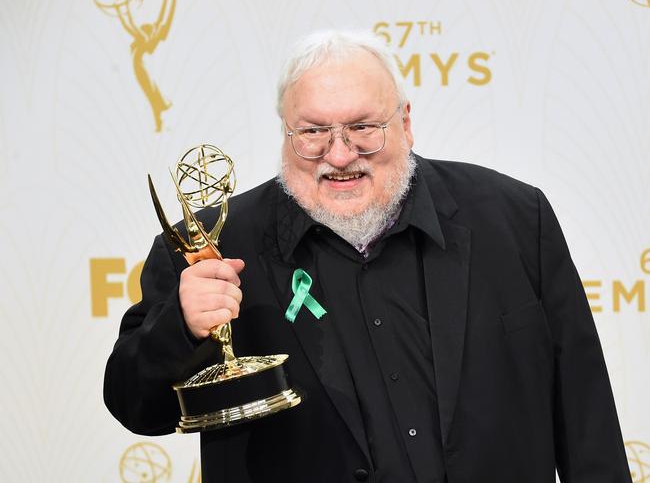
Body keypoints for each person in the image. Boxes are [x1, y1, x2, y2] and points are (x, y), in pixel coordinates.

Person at [104, 30, 632, 483]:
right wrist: (183, 328)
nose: (339, 155)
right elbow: (136, 407)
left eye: (362, 128)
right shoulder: (210, 247)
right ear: (286, 134)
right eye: (312, 133)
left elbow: (586, 416)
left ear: (405, 123)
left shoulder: (515, 218)